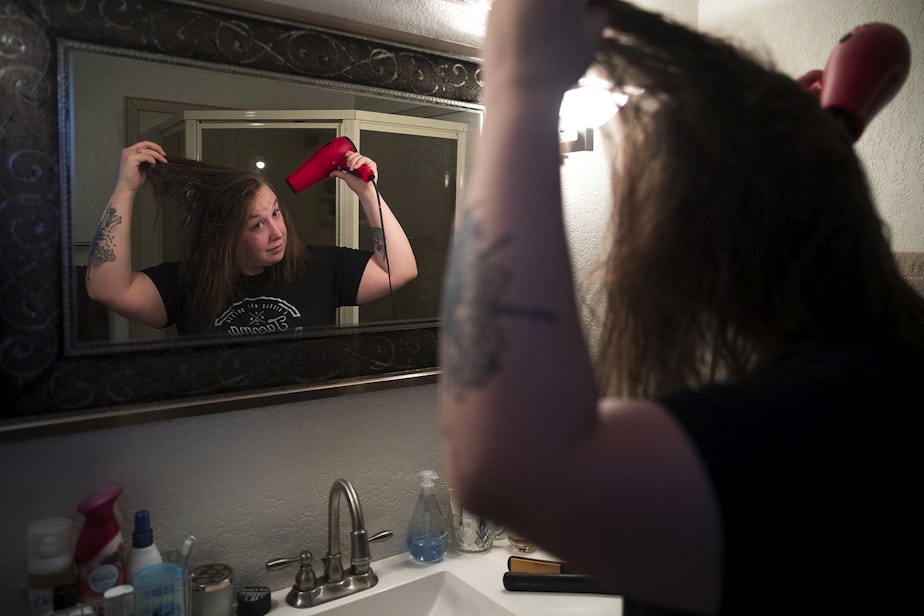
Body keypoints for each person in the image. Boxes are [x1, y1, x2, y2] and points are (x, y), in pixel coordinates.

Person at [439, 1, 923, 615]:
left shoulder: (846, 417)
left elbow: (509, 469)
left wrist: (520, 88)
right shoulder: (882, 373)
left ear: (699, 244)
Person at [85, 141, 417, 336]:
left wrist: (366, 191)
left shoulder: (318, 268)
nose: (278, 231)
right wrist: (126, 188)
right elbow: (106, 288)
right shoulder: (187, 283)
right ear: (224, 237)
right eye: (256, 225)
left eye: (275, 213)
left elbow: (399, 270)